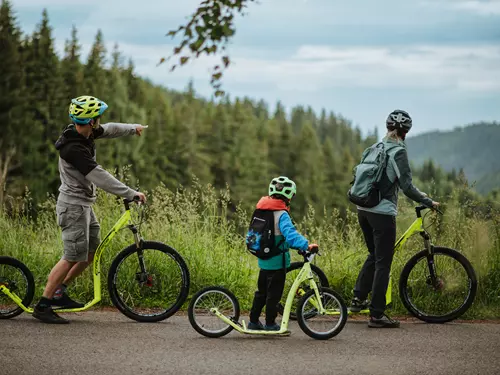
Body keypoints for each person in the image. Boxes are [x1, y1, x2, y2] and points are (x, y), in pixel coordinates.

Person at [32, 95, 147, 324]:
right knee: (71, 256)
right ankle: (43, 304)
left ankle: (59, 293)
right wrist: (130, 193)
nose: (100, 121)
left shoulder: (85, 132)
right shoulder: (73, 148)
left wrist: (132, 128)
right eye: (97, 118)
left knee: (90, 253)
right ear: (90, 120)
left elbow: (111, 129)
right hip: (72, 206)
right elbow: (99, 176)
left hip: (84, 204)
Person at [351, 109, 439, 328]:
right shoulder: (398, 151)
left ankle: (357, 299)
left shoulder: (374, 147)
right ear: (406, 132)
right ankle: (377, 315)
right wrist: (428, 201)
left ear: (388, 127)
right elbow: (407, 187)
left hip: (363, 209)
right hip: (382, 213)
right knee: (383, 262)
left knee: (374, 255)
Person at [248, 176, 318, 331]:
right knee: (274, 295)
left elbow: (275, 236)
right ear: (289, 196)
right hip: (277, 261)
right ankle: (270, 323)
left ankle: (253, 321)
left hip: (263, 259)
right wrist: (306, 245)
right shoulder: (281, 214)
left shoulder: (261, 209)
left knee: (261, 292)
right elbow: (290, 235)